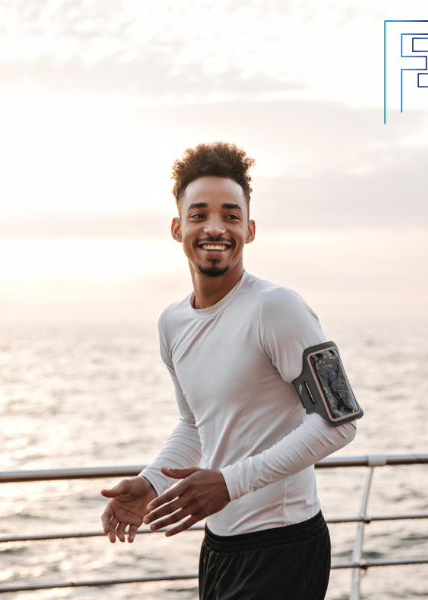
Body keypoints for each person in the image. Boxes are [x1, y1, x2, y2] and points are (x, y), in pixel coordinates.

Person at [100, 141, 358, 599]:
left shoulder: (276, 307)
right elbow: (196, 426)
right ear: (178, 227)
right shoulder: (173, 322)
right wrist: (152, 480)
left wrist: (230, 483)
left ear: (250, 229)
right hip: (219, 545)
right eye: (199, 215)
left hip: (284, 544)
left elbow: (339, 423)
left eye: (230, 216)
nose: (214, 228)